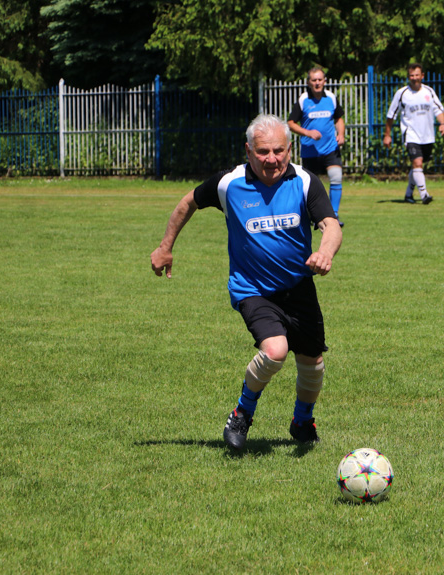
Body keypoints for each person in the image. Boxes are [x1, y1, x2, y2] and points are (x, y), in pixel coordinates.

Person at [150, 114, 342, 449]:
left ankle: (302, 420)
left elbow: (331, 224)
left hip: (299, 288)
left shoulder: (305, 181)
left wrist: (325, 252)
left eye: (279, 151)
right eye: (263, 151)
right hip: (252, 289)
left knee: (312, 363)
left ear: (289, 149)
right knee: (276, 350)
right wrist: (165, 247)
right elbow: (188, 203)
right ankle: (242, 413)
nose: (272, 159)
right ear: (248, 151)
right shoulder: (229, 183)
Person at [288, 66, 346, 226]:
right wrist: (308, 133)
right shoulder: (303, 100)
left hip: (330, 148)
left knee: (336, 177)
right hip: (310, 150)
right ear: (309, 82)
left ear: (325, 81)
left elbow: (339, 118)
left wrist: (340, 134)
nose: (317, 83)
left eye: (320, 79)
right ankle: (313, 216)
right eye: (314, 80)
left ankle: (333, 215)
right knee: (311, 185)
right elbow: (291, 123)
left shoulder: (331, 98)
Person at [383, 63, 444, 204]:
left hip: (427, 135)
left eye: (417, 75)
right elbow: (391, 116)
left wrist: (442, 124)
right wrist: (387, 135)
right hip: (411, 134)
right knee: (417, 162)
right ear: (408, 77)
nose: (414, 78)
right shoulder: (402, 94)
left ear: (422, 76)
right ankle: (424, 195)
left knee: (418, 165)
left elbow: (439, 110)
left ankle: (408, 194)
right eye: (411, 75)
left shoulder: (429, 92)